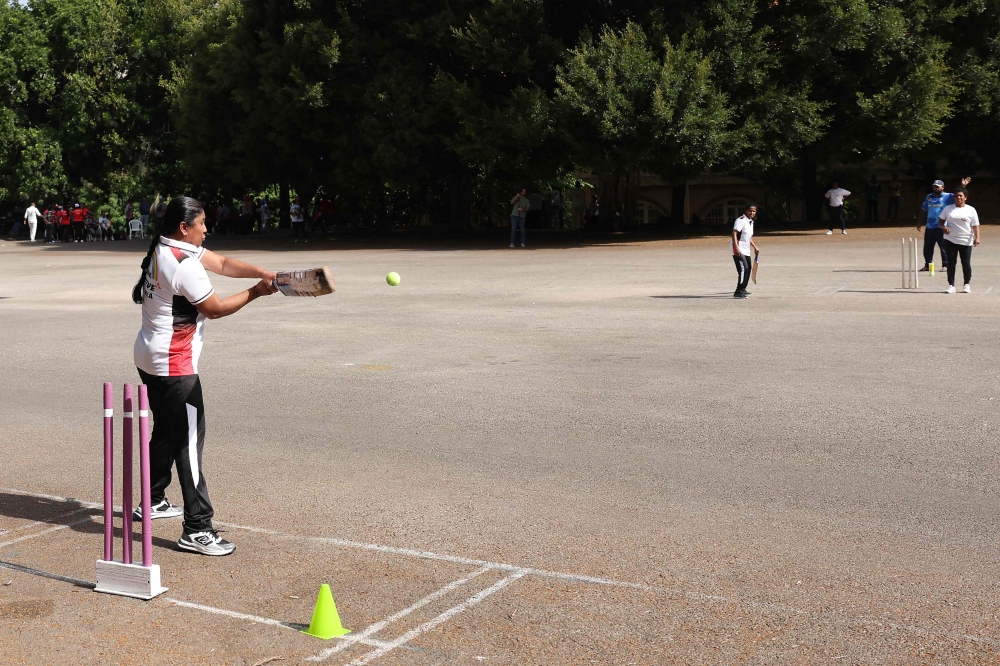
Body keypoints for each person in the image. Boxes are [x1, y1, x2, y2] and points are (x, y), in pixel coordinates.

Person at [131, 196, 277, 555]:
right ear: (185, 227)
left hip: (150, 355)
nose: (207, 229)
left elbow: (224, 263)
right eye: (202, 224)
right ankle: (197, 528)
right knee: (188, 442)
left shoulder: (167, 247)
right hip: (174, 365)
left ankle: (151, 500)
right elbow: (214, 309)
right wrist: (257, 291)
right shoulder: (183, 264)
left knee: (167, 428)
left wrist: (262, 273)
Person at [919, 177, 971, 272]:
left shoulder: (948, 196)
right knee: (927, 247)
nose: (936, 188)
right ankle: (928, 264)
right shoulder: (929, 197)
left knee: (943, 247)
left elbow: (959, 195)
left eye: (938, 187)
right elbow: (924, 209)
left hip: (942, 226)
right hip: (930, 226)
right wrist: (919, 222)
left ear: (943, 187)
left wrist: (963, 186)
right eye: (934, 186)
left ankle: (945, 264)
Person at [939, 189, 979, 294]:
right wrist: (944, 227)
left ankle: (966, 284)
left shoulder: (971, 210)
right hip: (950, 239)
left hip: (966, 240)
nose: (958, 198)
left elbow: (975, 225)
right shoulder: (948, 209)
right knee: (951, 263)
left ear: (965, 197)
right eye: (956, 196)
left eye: (961, 196)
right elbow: (941, 221)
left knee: (965, 263)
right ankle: (951, 285)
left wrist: (977, 237)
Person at [731, 203, 760, 299]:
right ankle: (738, 292)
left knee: (748, 268)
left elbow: (748, 237)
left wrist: (755, 247)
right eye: (750, 210)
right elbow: (734, 233)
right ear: (746, 211)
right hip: (738, 248)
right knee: (744, 269)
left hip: (746, 249)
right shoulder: (740, 220)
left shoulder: (750, 222)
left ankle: (743, 289)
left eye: (754, 211)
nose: (752, 212)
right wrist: (736, 247)